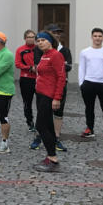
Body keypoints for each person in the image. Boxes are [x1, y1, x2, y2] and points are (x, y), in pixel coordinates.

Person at [33, 30, 66, 172]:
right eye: (38, 41)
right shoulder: (44, 55)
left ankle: (52, 158)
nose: (40, 43)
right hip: (40, 95)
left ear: (50, 41)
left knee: (40, 126)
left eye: (43, 40)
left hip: (49, 96)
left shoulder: (56, 55)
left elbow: (61, 77)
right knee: (48, 126)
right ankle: (51, 157)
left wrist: (57, 98)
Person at [78, 27, 103, 140]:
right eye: (95, 36)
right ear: (92, 37)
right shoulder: (85, 52)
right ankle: (90, 129)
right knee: (89, 108)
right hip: (89, 83)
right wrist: (81, 83)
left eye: (100, 36)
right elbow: (81, 68)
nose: (97, 38)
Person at [45, 23, 71, 151]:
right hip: (46, 85)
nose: (57, 35)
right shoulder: (43, 49)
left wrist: (53, 65)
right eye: (54, 32)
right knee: (44, 111)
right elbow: (39, 66)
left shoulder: (65, 50)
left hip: (61, 84)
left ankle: (56, 137)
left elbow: (68, 67)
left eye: (58, 33)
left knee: (58, 112)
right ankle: (42, 136)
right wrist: (60, 65)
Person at [15, 29, 38, 132]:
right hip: (26, 79)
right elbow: (17, 64)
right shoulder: (20, 50)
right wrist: (29, 68)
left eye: (33, 37)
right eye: (29, 37)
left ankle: (40, 123)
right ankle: (30, 122)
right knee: (27, 102)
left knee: (41, 102)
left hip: (39, 79)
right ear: (25, 38)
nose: (31, 39)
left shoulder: (39, 49)